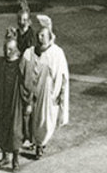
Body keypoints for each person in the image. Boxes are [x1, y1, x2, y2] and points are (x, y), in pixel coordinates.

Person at [20, 15, 70, 159]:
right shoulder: (29, 52)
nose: (39, 37)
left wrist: (59, 94)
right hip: (32, 91)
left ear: (49, 37)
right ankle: (33, 140)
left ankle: (40, 145)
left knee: (44, 120)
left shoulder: (56, 54)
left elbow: (62, 77)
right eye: (38, 34)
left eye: (43, 35)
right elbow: (22, 70)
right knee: (30, 118)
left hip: (47, 92)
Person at [0, 35, 24, 172]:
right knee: (2, 129)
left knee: (15, 132)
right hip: (2, 101)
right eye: (5, 49)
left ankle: (15, 160)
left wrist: (27, 103)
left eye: (10, 49)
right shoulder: (0, 62)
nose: (7, 52)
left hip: (15, 103)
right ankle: (5, 156)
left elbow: (27, 84)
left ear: (16, 49)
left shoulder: (20, 64)